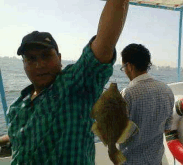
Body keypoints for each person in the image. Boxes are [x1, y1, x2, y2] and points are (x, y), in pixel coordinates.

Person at [0, 0, 130, 164]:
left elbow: (104, 45)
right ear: (24, 64)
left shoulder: (73, 85)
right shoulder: (16, 106)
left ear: (59, 58)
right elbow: (19, 135)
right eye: (31, 59)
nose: (39, 64)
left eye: (46, 56)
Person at [119, 44, 174, 165]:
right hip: (156, 160)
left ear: (129, 66)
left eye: (123, 67)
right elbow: (167, 128)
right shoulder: (167, 90)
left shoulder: (126, 94)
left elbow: (119, 136)